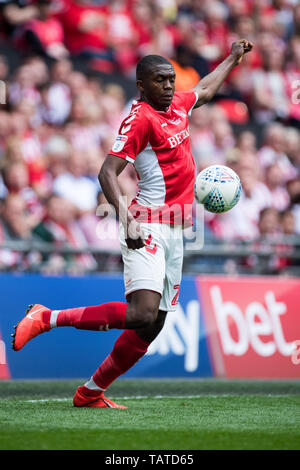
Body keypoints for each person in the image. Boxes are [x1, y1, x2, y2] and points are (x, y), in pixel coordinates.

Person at [12, 39, 253, 409]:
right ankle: (47, 317)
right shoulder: (139, 117)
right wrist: (127, 223)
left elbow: (203, 89)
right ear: (142, 85)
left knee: (152, 325)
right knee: (142, 312)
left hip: (177, 229)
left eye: (171, 79)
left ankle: (91, 391)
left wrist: (233, 59)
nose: (169, 86)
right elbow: (107, 173)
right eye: (160, 80)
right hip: (147, 223)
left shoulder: (178, 107)